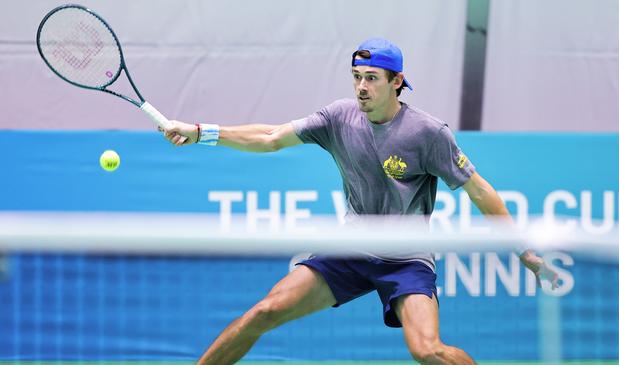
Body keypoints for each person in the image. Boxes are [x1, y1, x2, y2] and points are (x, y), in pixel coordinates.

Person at [162, 37, 559, 365]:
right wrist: (201, 132)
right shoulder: (338, 117)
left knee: (428, 351)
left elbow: (480, 190)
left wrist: (522, 250)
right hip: (350, 247)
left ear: (397, 81)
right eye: (356, 77)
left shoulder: (428, 133)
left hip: (406, 256)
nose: (361, 88)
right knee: (263, 312)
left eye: (371, 78)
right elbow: (270, 137)